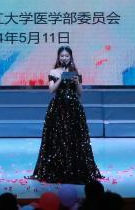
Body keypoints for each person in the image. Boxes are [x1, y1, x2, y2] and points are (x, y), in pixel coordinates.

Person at [30, 45, 103, 184]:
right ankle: (58, 170)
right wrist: (61, 78)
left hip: (74, 109)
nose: (64, 58)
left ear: (71, 57)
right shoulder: (53, 71)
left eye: (67, 56)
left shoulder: (75, 71)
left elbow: (80, 93)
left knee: (74, 138)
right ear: (58, 57)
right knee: (58, 138)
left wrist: (77, 82)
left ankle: (75, 169)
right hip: (58, 108)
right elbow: (51, 90)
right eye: (62, 56)